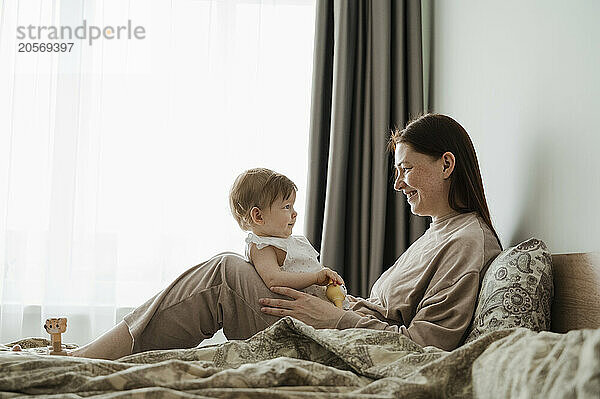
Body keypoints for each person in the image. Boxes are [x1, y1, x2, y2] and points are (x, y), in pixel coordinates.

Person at [69, 113, 502, 359]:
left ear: (447, 165)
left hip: (340, 343)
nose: (397, 183)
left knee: (223, 274)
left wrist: (336, 318)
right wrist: (340, 306)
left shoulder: (467, 241)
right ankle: (95, 355)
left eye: (406, 168)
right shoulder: (439, 232)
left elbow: (429, 347)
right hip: (338, 326)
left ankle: (90, 360)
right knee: (230, 267)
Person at [229, 168, 349, 309]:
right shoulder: (261, 246)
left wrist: (326, 274)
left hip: (326, 302)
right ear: (259, 216)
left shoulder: (290, 241)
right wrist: (316, 277)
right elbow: (274, 279)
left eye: (293, 206)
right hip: (307, 309)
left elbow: (310, 266)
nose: (295, 213)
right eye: (287, 207)